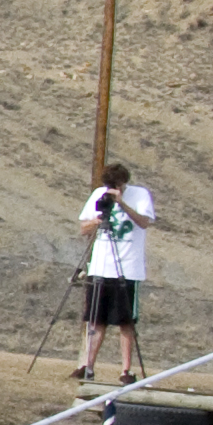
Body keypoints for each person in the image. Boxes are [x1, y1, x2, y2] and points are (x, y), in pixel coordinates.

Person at [75, 162, 156, 384]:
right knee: (95, 320)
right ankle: (88, 366)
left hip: (128, 268)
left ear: (123, 184)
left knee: (125, 321)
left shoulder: (140, 195)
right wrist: (98, 219)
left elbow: (144, 222)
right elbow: (83, 229)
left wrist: (123, 205)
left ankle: (126, 370)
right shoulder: (99, 196)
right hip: (101, 266)